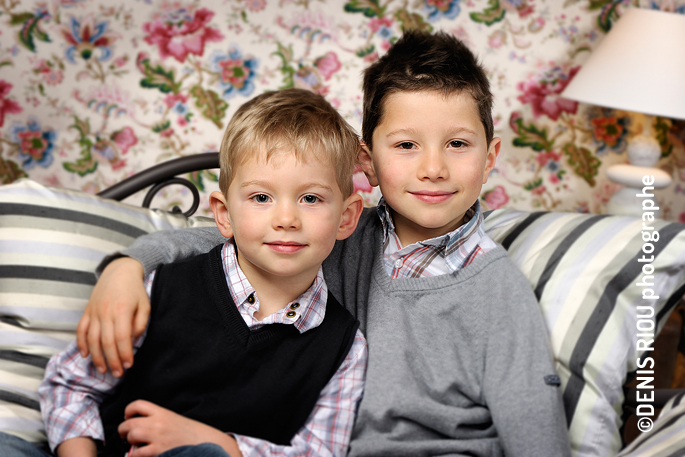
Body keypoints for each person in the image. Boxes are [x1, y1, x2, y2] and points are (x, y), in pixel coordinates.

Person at [77, 30, 571, 456]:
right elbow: (227, 238)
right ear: (367, 162)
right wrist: (126, 266)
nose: (433, 168)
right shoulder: (335, 234)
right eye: (405, 144)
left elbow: (535, 428)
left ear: (489, 158)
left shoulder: (498, 288)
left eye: (458, 144)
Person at [29, 88, 368, 457]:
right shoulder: (163, 288)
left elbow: (320, 451)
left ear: (347, 217)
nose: (286, 220)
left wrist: (222, 445)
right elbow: (72, 385)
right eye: (261, 198)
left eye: (310, 199)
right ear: (224, 214)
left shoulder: (344, 345)